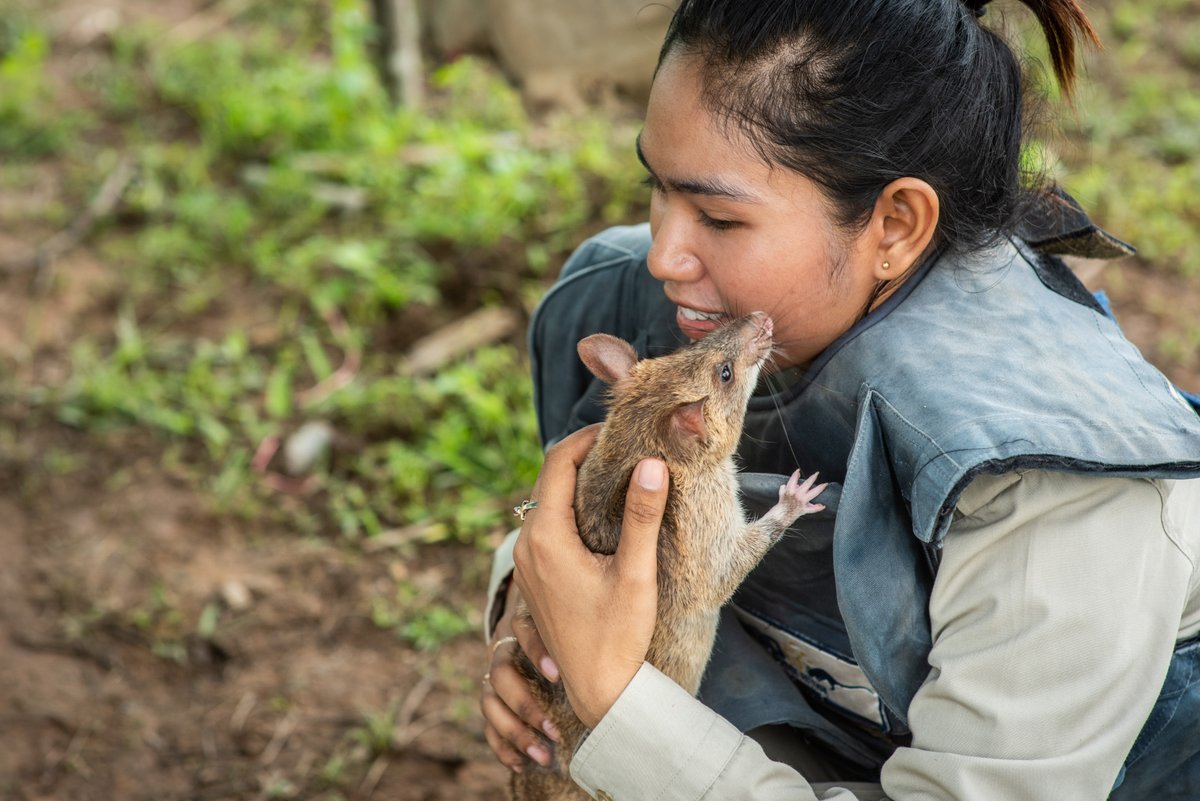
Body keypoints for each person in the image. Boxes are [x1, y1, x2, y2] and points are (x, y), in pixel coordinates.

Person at [480, 0, 1200, 798]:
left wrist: (618, 702)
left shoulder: (1048, 488)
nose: (662, 256)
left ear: (893, 224)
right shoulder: (639, 314)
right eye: (656, 186)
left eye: (718, 215)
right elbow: (587, 524)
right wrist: (534, 603)